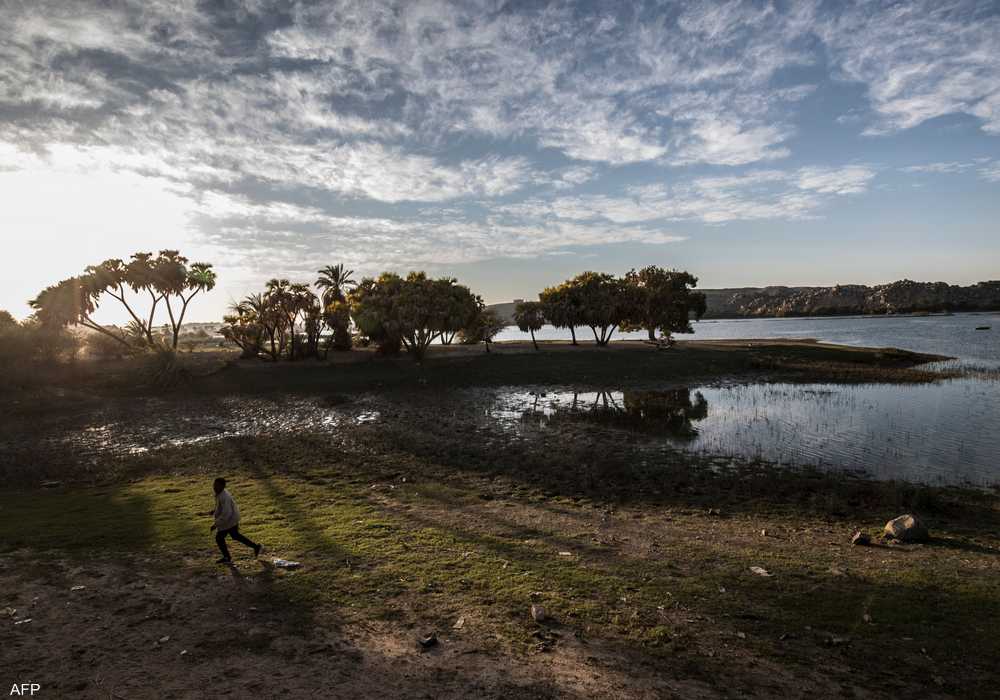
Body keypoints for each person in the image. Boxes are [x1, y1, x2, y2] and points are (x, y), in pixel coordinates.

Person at [206, 477, 262, 564]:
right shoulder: (220, 493)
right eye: (214, 485)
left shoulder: (224, 497)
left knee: (219, 538)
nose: (214, 487)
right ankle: (256, 547)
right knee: (235, 536)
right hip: (231, 518)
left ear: (222, 486)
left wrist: (215, 524)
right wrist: (214, 511)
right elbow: (221, 507)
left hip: (229, 520)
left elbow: (226, 513)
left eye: (216, 485)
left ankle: (227, 557)